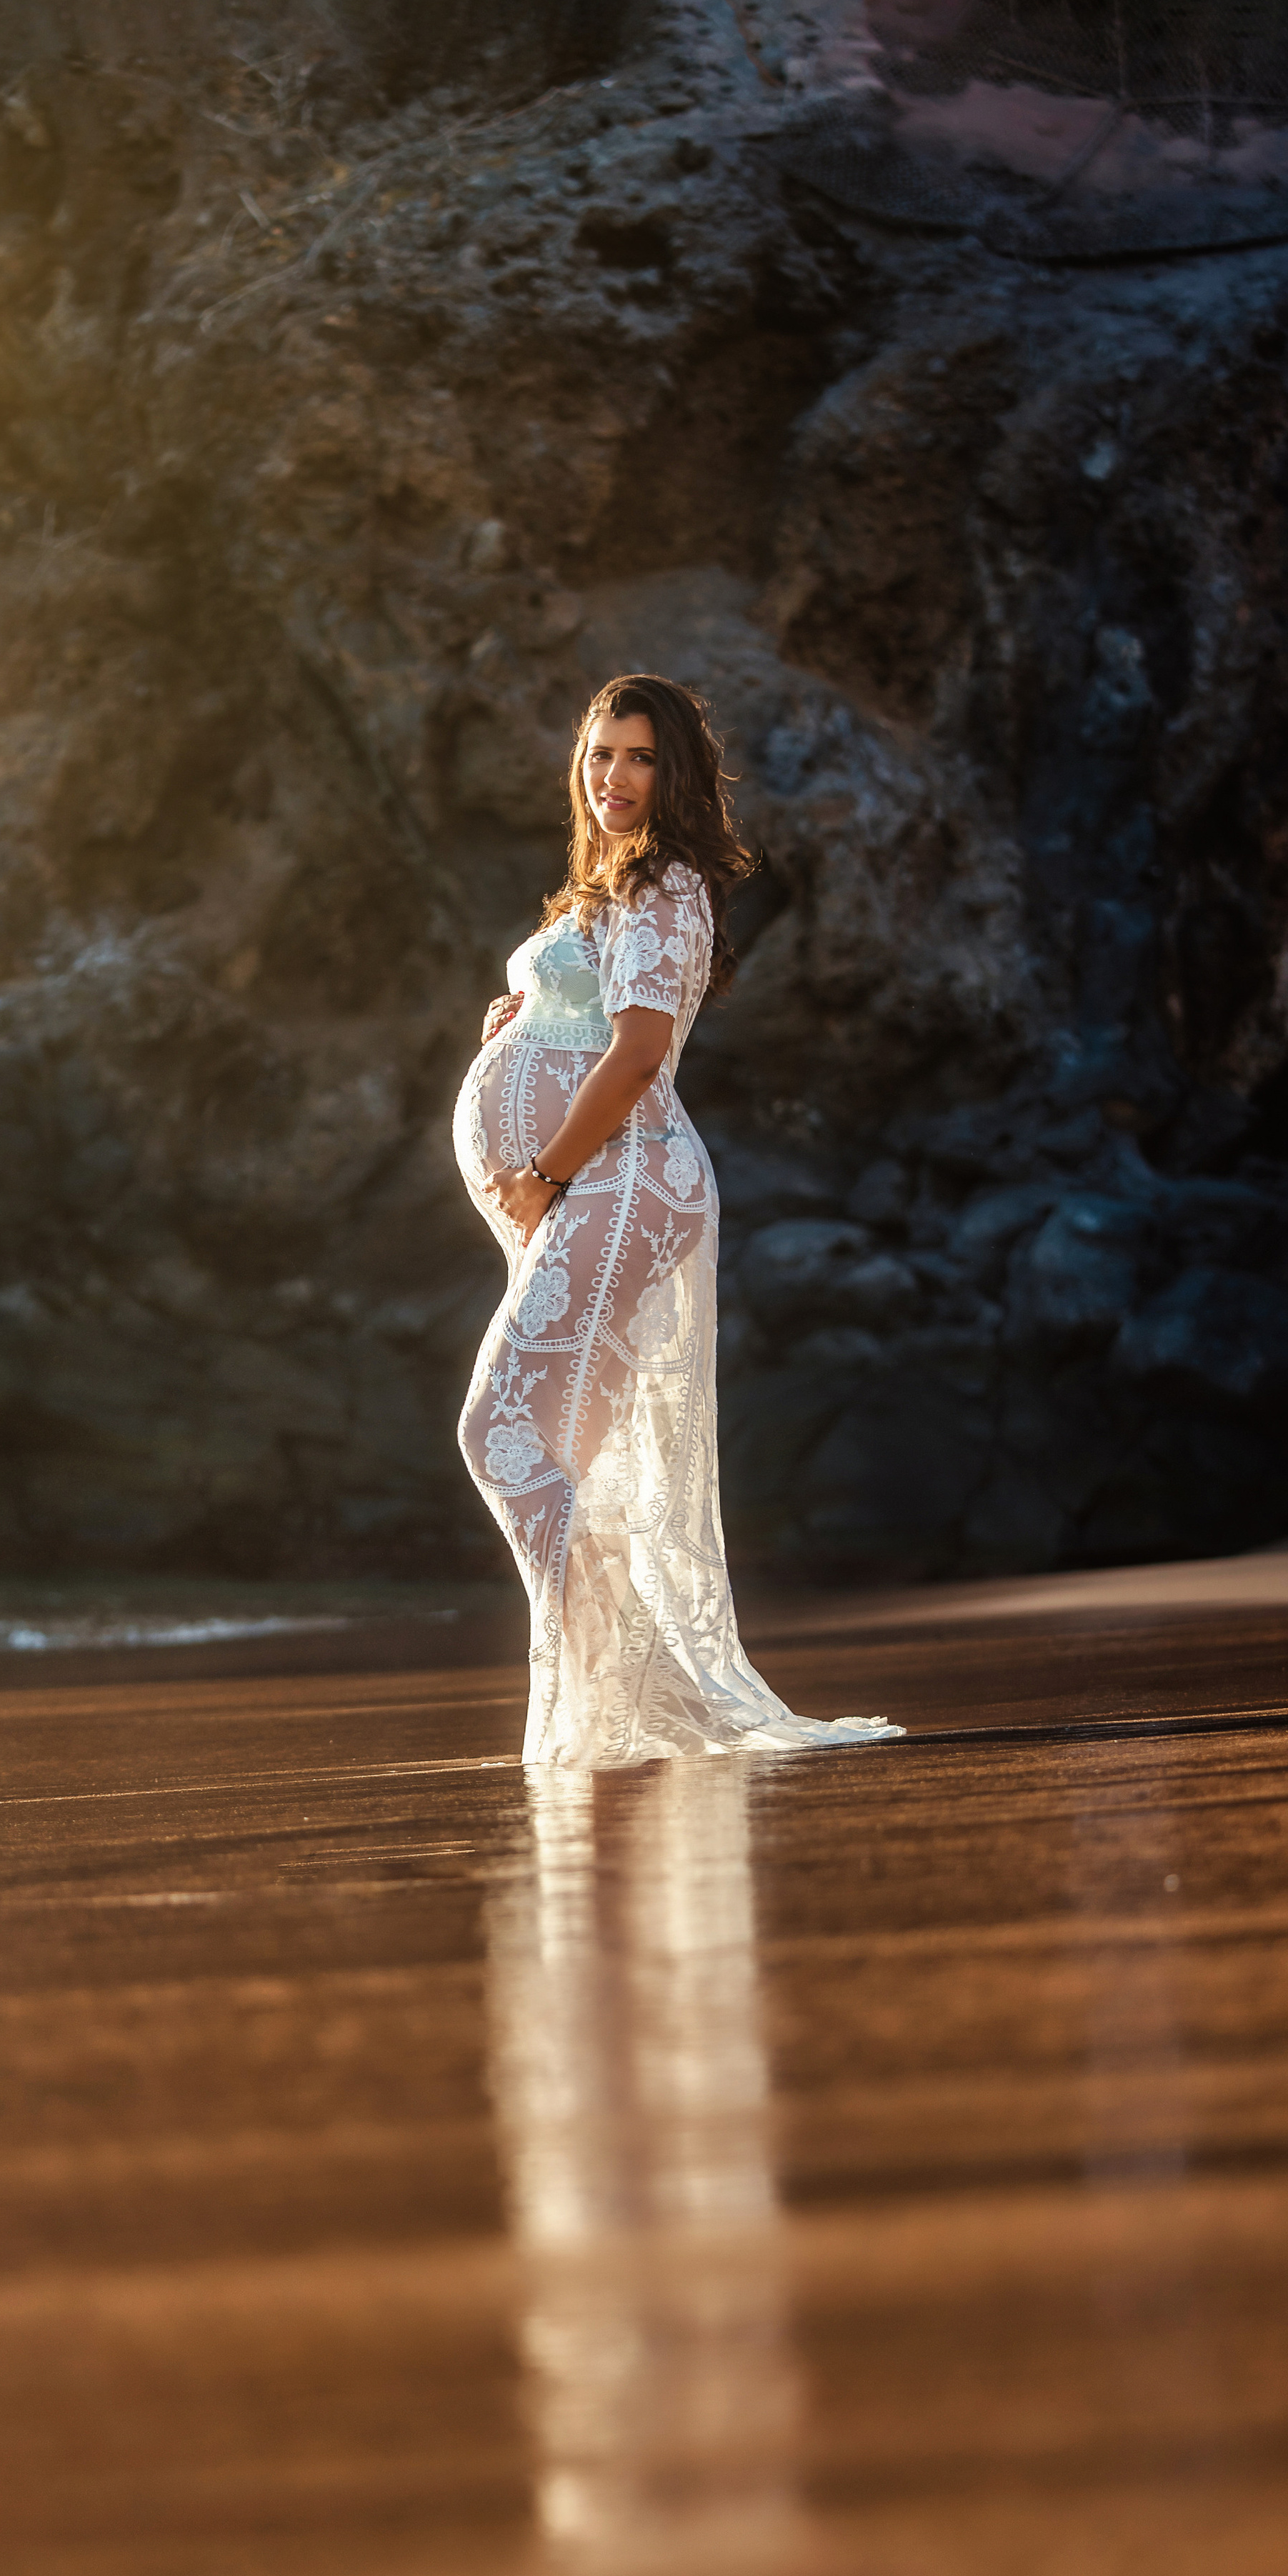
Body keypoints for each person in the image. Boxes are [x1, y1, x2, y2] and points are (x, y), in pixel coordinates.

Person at [454, 671, 902, 1768]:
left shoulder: (667, 884)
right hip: (599, 1186)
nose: (615, 775)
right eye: (602, 753)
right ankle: (611, 1703)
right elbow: (595, 1017)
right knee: (566, 1453)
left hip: (623, 1177)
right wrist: (525, 1014)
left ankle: (624, 1689)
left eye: (642, 757)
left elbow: (641, 1054)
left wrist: (542, 1173)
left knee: (500, 1434)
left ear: (677, 774)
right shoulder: (610, 886)